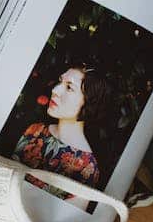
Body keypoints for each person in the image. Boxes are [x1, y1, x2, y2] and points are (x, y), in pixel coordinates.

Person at [12, 66, 110, 208]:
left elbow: (63, 221)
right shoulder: (35, 130)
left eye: (69, 88)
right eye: (60, 82)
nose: (55, 90)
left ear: (89, 102)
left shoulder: (87, 169)